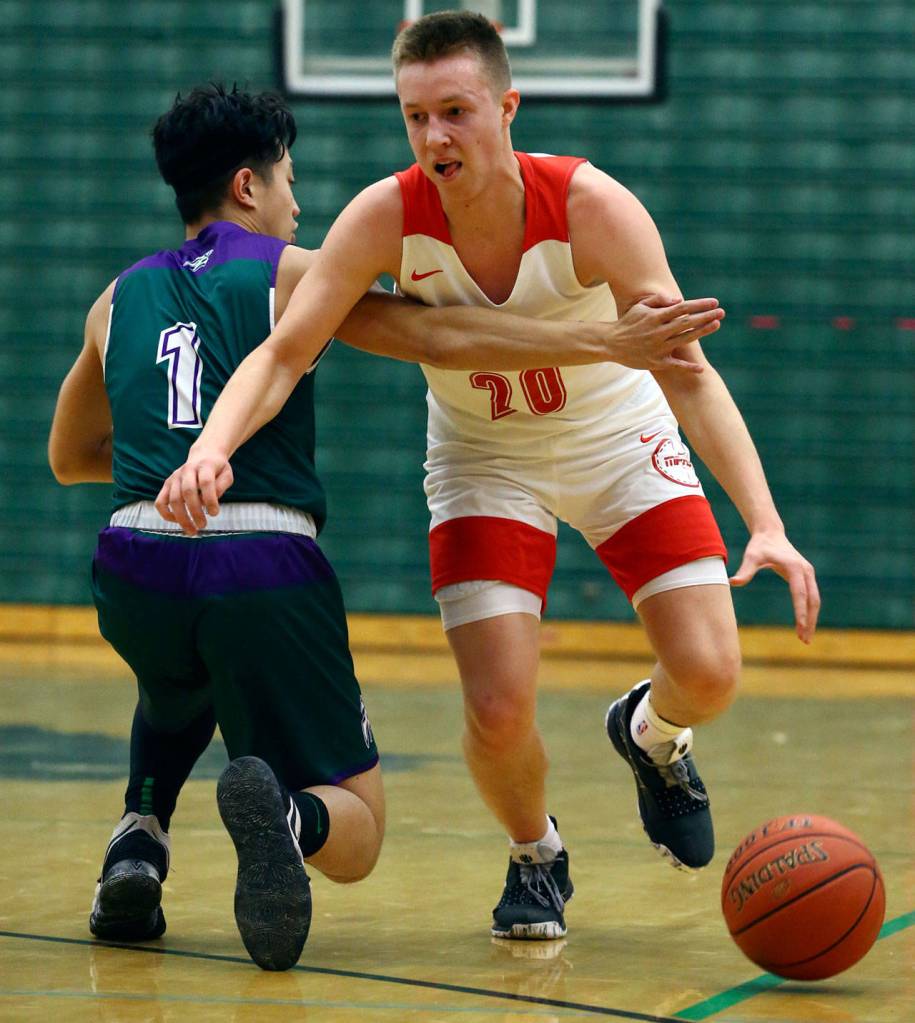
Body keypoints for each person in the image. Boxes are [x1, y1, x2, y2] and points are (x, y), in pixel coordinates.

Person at [157, 10, 818, 944]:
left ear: (506, 106)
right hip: (482, 457)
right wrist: (211, 446)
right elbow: (281, 351)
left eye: (456, 112)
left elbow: (687, 373)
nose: (434, 137)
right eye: (415, 116)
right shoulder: (385, 216)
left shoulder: (593, 207)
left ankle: (651, 732)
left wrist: (765, 521)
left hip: (614, 436)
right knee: (499, 704)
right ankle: (535, 854)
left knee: (709, 672)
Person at [48, 83, 719, 968]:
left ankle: (137, 836)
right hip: (258, 561)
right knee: (357, 829)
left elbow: (68, 455)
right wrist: (602, 340)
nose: (299, 201)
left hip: (134, 556)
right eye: (289, 180)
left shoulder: (111, 299)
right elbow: (445, 340)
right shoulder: (292, 271)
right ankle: (291, 815)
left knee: (179, 677)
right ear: (249, 187)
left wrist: (172, 478)